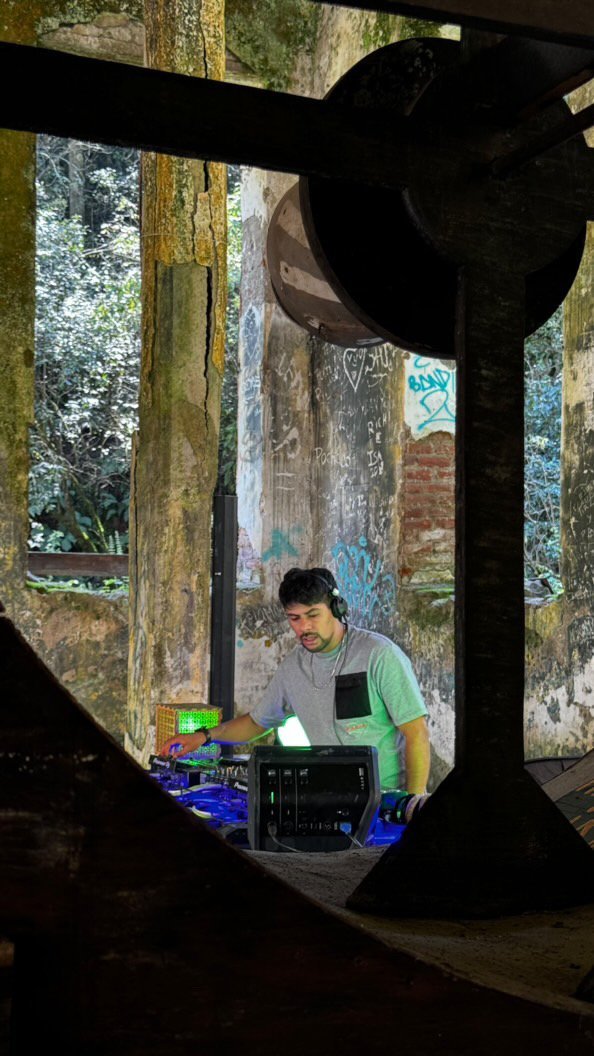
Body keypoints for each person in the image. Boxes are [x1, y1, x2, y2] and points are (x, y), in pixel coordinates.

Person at [159, 567, 430, 793]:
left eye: (313, 615)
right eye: (295, 618)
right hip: (328, 797)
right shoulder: (293, 668)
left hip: (386, 798)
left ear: (336, 608)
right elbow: (257, 722)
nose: (304, 627)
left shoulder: (378, 655)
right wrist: (204, 736)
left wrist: (412, 803)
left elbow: (416, 733)